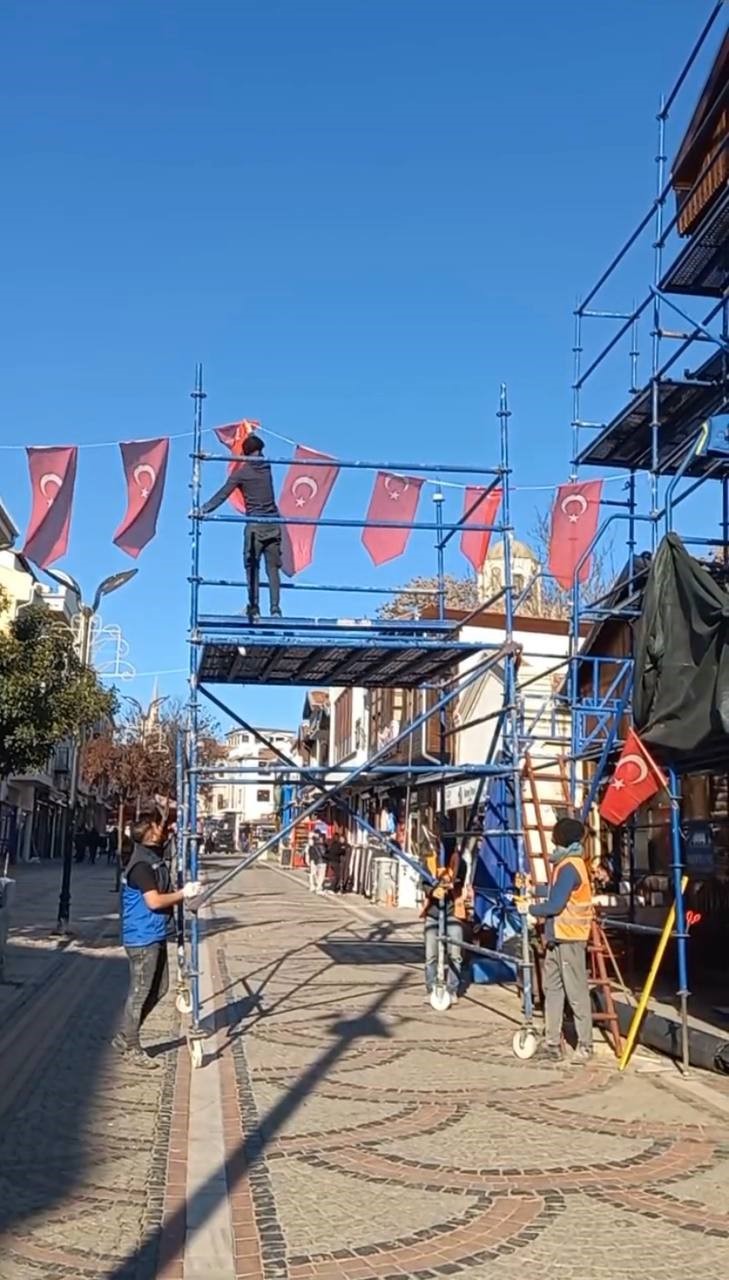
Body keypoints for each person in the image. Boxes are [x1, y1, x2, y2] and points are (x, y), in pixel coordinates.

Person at [113, 809, 201, 1069]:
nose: (164, 829)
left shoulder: (152, 857)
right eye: (159, 826)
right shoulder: (141, 865)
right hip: (142, 937)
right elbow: (153, 901)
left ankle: (125, 1035)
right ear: (150, 833)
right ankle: (131, 1045)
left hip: (155, 932)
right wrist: (184, 894)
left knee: (159, 989)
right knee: (140, 992)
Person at [528, 816, 594, 1064]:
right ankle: (552, 1042)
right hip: (557, 938)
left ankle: (585, 1045)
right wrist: (533, 890)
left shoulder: (569, 866)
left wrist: (530, 910)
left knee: (575, 992)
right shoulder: (566, 864)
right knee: (552, 990)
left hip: (570, 938)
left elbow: (556, 904)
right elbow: (555, 891)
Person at [199, 433, 282, 623]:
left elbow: (223, 493)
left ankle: (254, 608)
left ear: (245, 453)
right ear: (260, 450)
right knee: (273, 569)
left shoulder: (242, 473)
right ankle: (276, 609)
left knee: (252, 568)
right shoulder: (267, 467)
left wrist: (203, 509)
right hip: (274, 524)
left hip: (255, 526)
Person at [421, 847, 469, 1003]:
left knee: (455, 954)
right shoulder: (429, 861)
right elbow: (423, 882)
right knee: (431, 955)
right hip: (433, 914)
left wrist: (450, 885)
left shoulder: (459, 862)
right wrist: (432, 891)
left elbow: (459, 880)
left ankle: (452, 990)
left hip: (453, 911)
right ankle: (431, 988)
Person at [307, 824, 328, 894]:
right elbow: (324, 853)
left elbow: (308, 852)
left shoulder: (312, 844)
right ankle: (318, 887)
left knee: (313, 873)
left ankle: (313, 886)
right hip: (321, 860)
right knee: (320, 874)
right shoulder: (322, 845)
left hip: (314, 860)